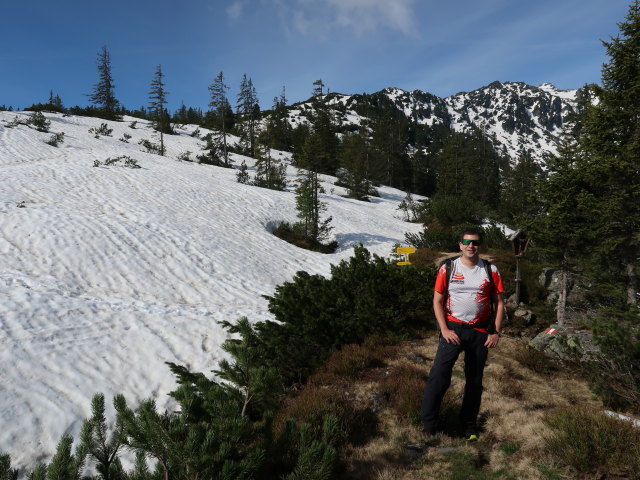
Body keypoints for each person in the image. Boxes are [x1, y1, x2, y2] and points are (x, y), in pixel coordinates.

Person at [421, 227, 505, 440]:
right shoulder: (448, 268)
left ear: (480, 246)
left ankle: (468, 425)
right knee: (439, 377)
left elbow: (499, 302)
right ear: (460, 245)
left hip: (480, 333)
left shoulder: (490, 269)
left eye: (475, 243)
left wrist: (495, 332)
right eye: (467, 242)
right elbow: (437, 301)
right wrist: (444, 329)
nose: (471, 246)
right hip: (453, 330)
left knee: (474, 381)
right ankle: (429, 425)